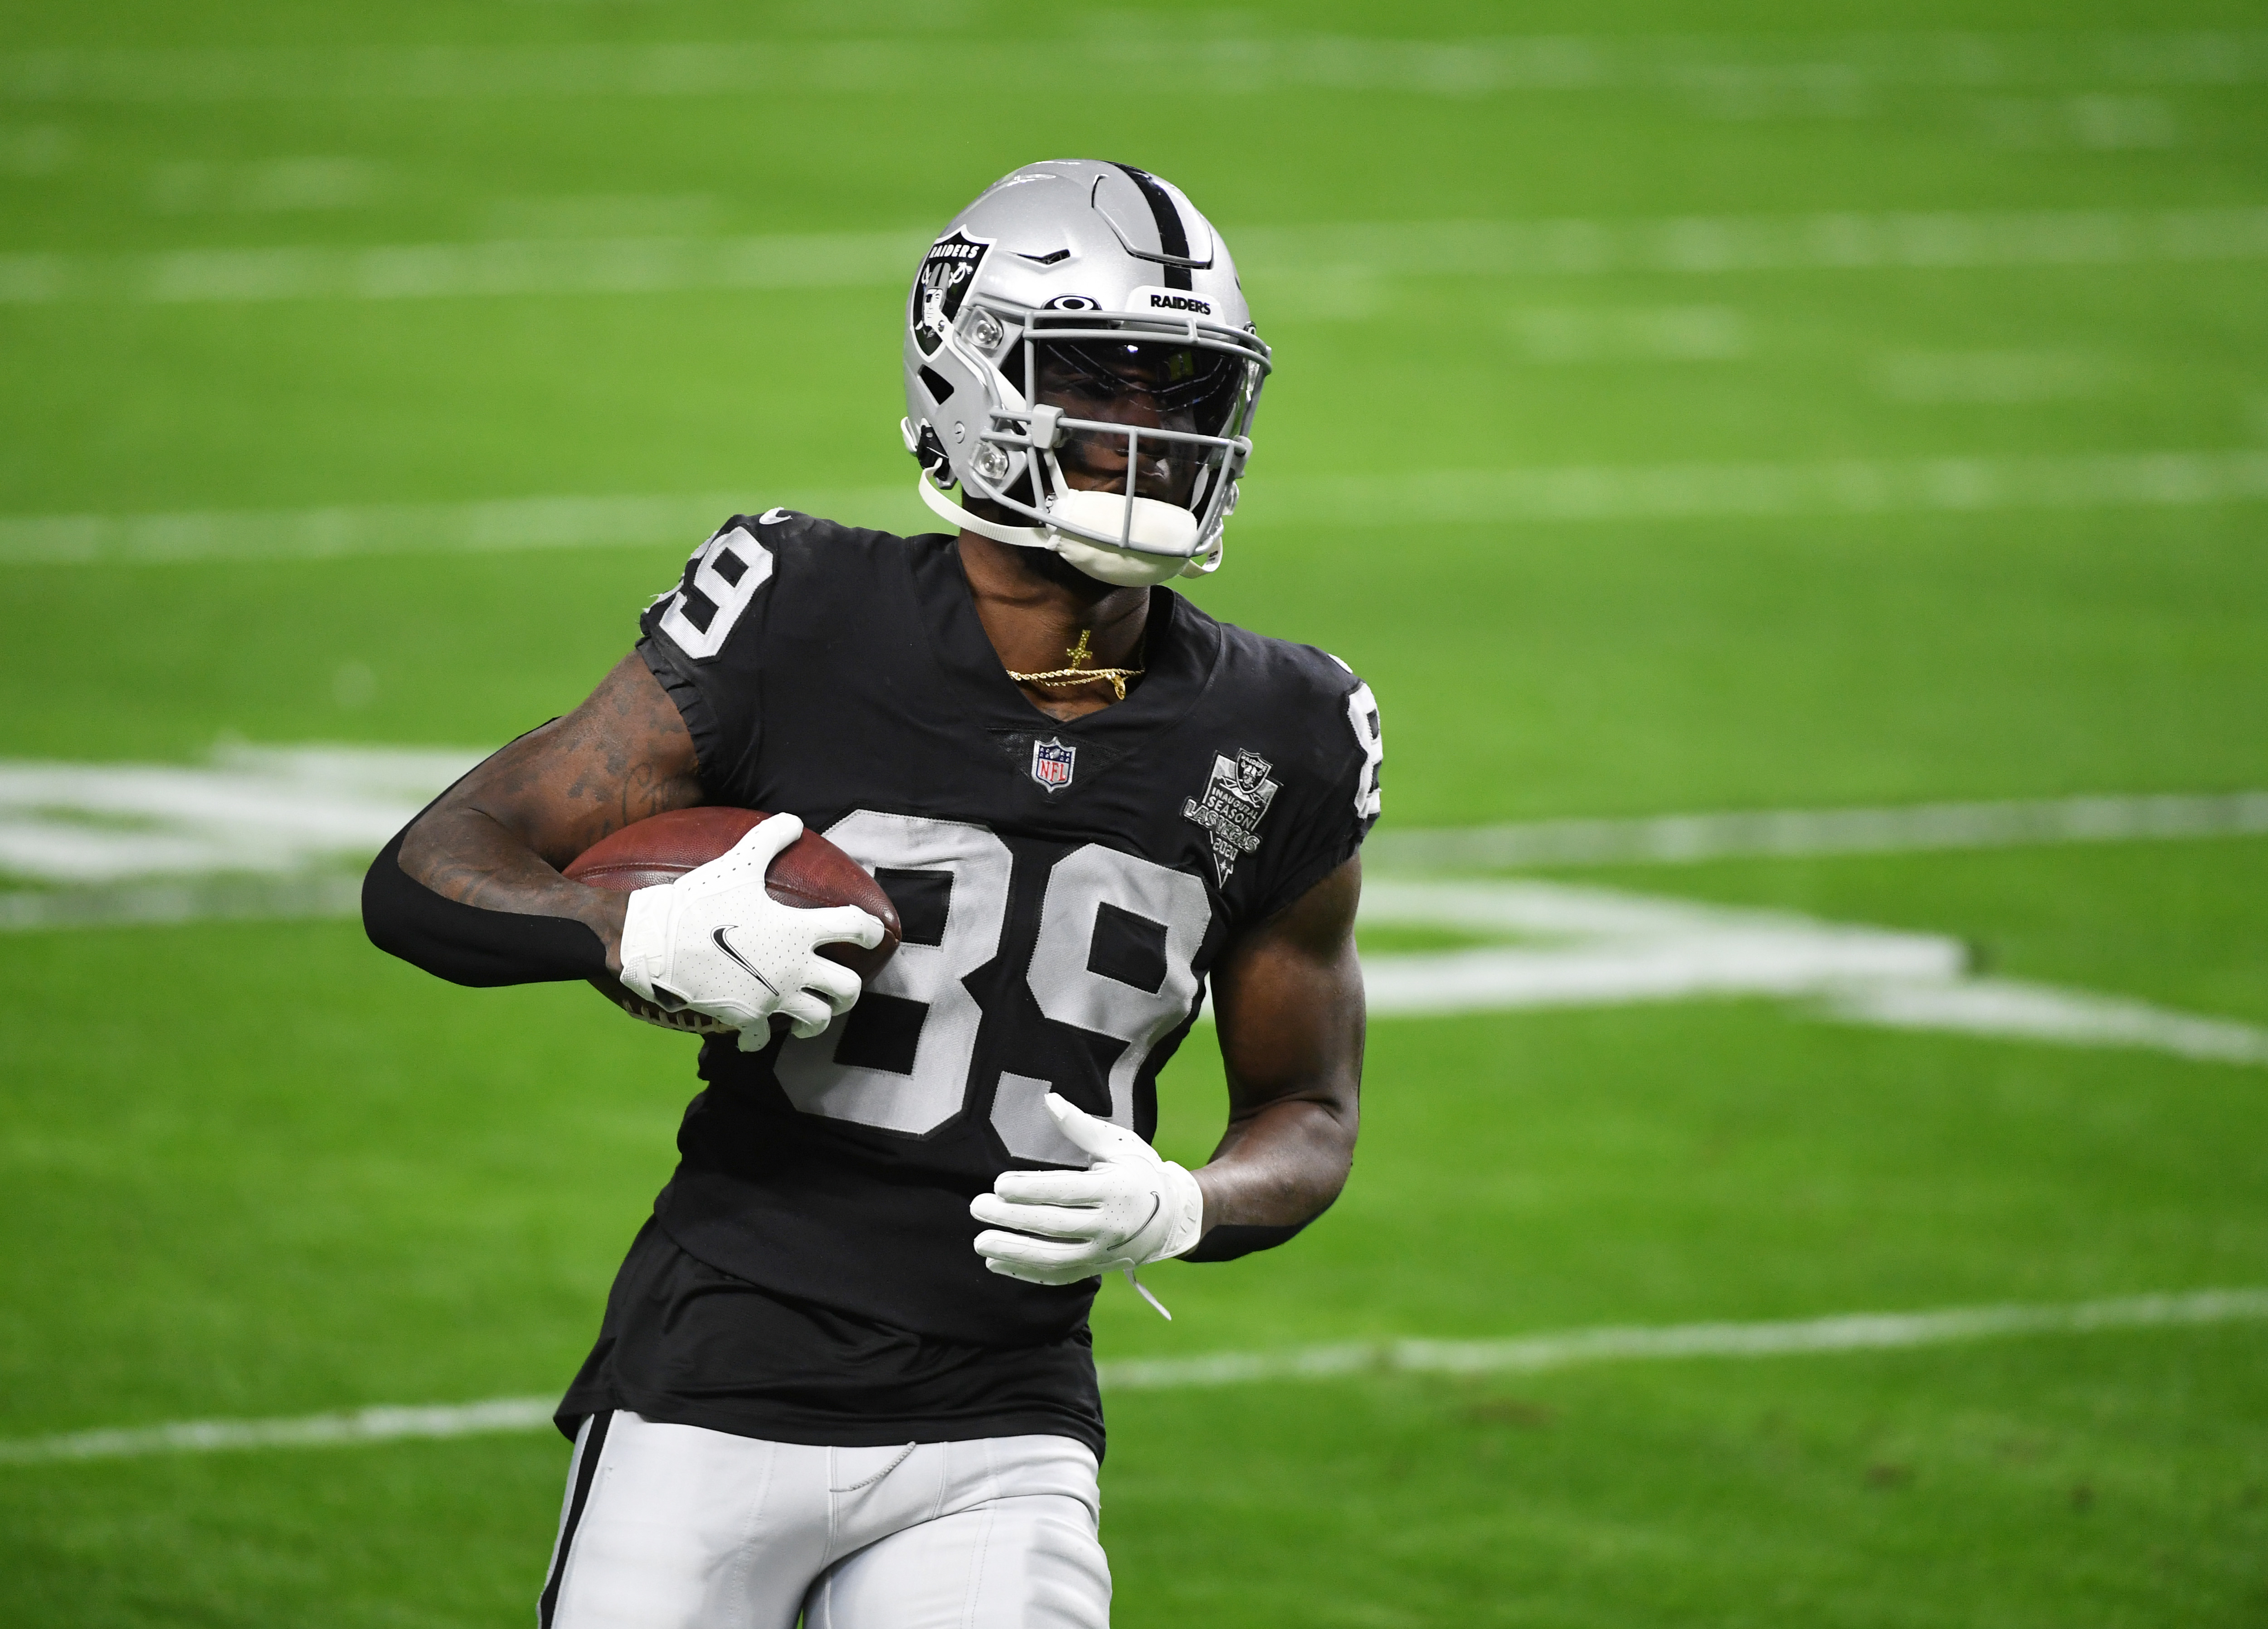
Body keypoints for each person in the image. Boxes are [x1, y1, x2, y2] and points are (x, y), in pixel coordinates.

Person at [364, 159, 1384, 1629]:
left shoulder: (1289, 723)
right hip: (713, 1377)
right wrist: (624, 927)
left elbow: (1311, 1110)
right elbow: (430, 869)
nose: (1148, 433)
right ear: (969, 375)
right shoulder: (797, 609)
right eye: (1100, 378)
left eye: (1182, 390)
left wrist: (1180, 1203)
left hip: (1007, 1416)